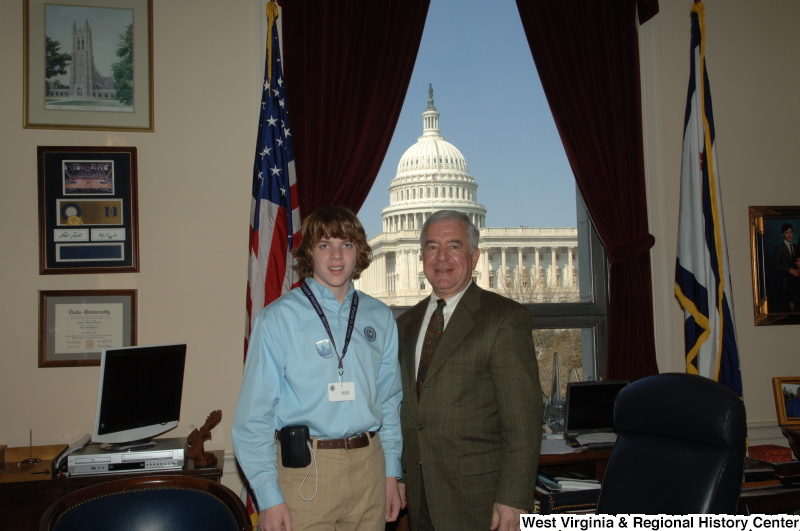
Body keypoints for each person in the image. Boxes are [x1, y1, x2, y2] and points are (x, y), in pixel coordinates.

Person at [233, 206, 403, 531]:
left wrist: (391, 473)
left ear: (359, 252)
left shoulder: (380, 317)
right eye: (325, 245)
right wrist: (268, 498)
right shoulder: (278, 319)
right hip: (305, 475)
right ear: (310, 252)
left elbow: (390, 403)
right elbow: (253, 418)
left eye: (347, 245)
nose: (337, 256)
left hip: (370, 467)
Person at [396, 210, 543, 531]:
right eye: (432, 247)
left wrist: (515, 498)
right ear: (422, 256)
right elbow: (408, 412)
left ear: (475, 256)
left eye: (454, 246)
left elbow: (524, 422)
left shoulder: (504, 318)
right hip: (421, 499)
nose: (442, 257)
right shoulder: (405, 324)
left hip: (481, 501)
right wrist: (401, 476)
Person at [773, 223, 799, 311]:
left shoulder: (796, 247)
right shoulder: (779, 248)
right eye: (786, 232)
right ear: (782, 234)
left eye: (791, 232)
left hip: (796, 285)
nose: (789, 235)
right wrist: (789, 270)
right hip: (785, 285)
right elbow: (775, 266)